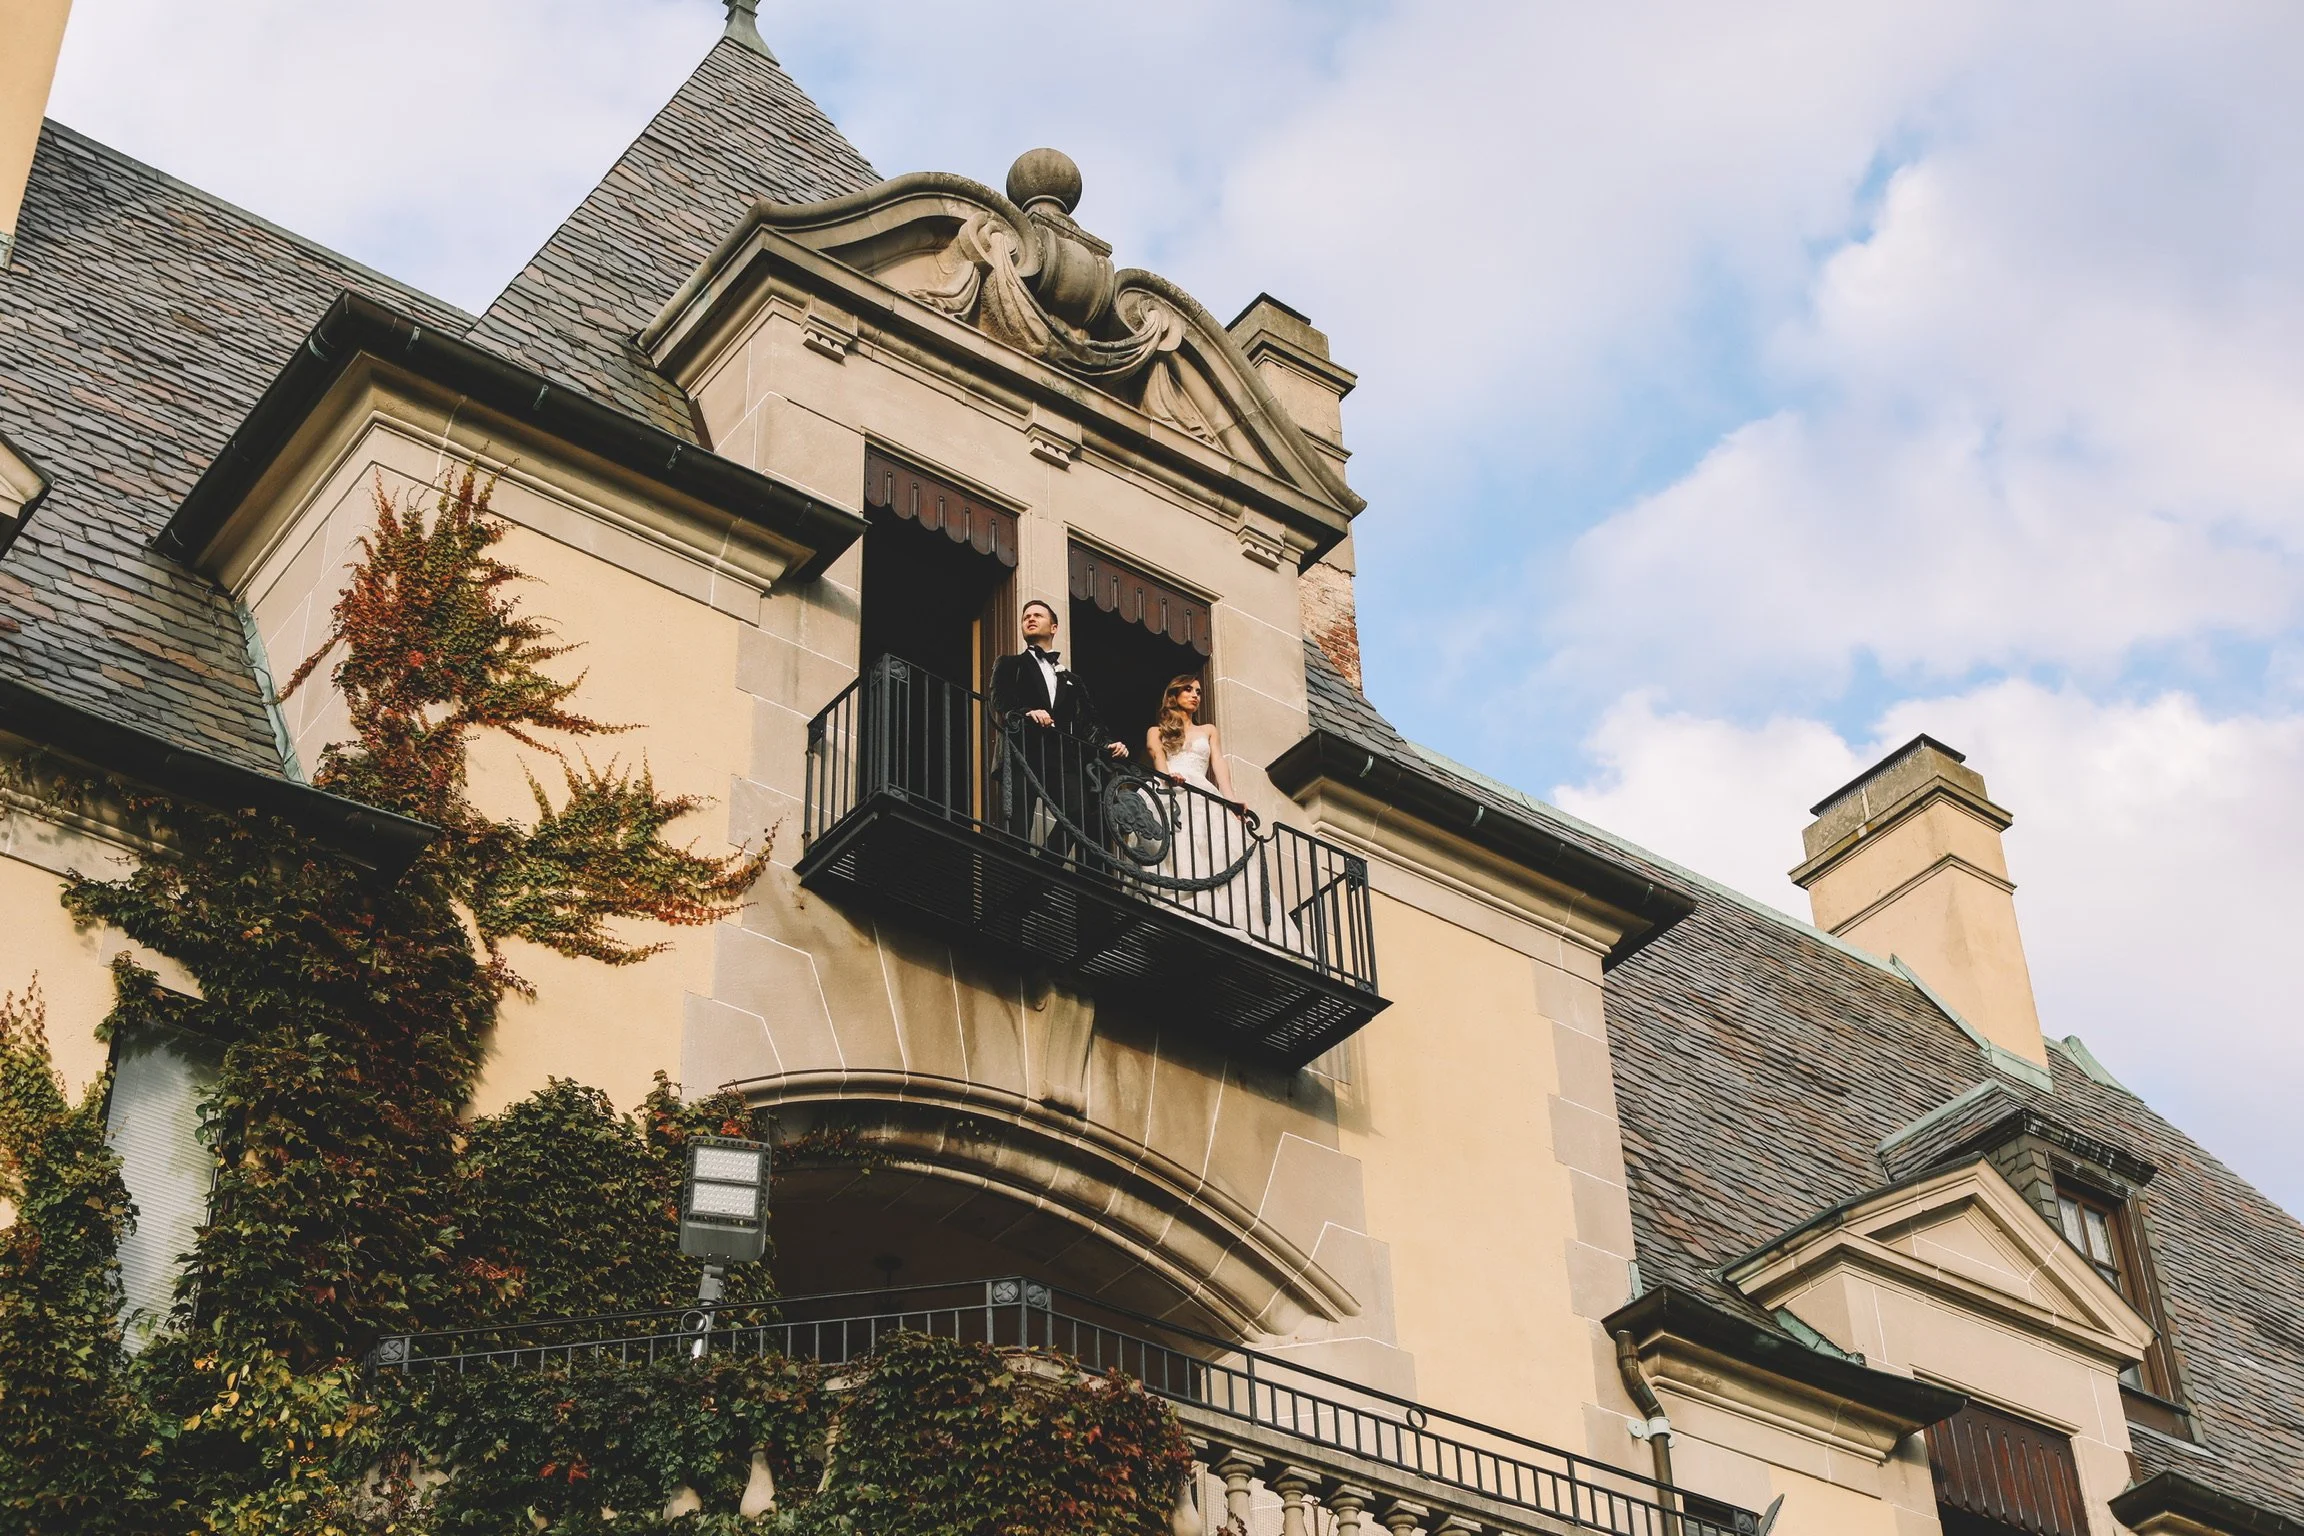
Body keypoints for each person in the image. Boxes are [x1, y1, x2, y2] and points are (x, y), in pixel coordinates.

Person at [988, 599, 1128, 855]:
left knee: (1079, 812)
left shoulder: (1071, 679)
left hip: (1060, 758)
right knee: (1018, 822)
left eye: (1037, 615)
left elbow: (1088, 721)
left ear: (1054, 627)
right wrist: (1028, 711)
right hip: (1022, 752)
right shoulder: (1010, 663)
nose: (1029, 619)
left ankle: (1044, 864)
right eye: (1026, 616)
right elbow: (1000, 700)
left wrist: (1109, 743)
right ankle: (1017, 872)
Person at [1144, 674, 1250, 924]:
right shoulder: (1156, 731)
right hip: (1171, 785)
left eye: (1199, 691)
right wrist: (1167, 776)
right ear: (1174, 695)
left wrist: (1230, 799)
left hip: (1201, 789)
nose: (1195, 695)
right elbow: (1156, 755)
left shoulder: (1208, 730)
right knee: (1177, 842)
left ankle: (1211, 906)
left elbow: (1219, 764)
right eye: (1188, 689)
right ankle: (1179, 899)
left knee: (1210, 844)